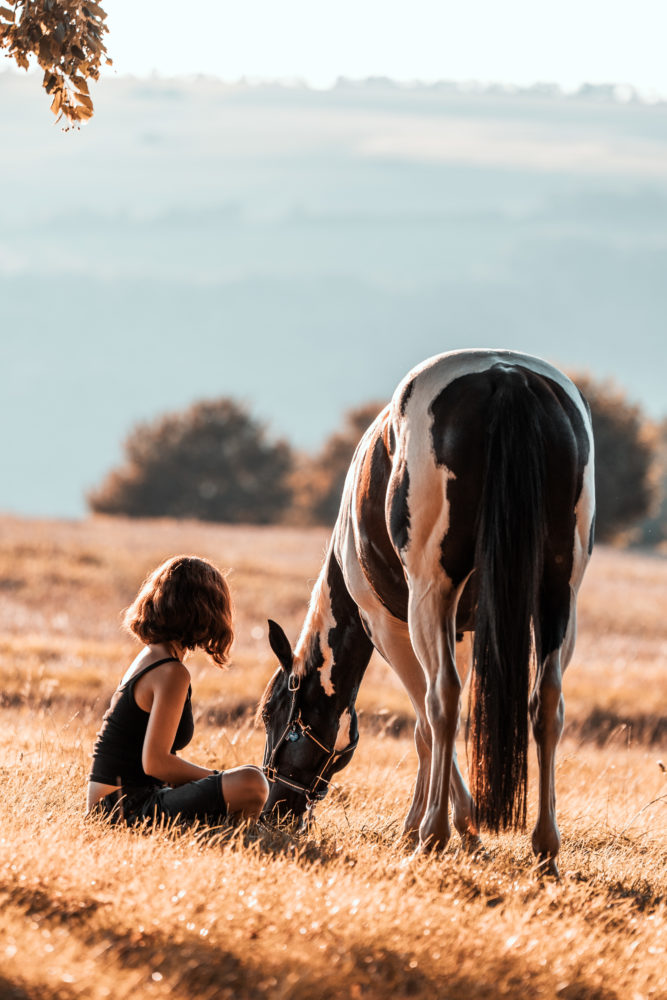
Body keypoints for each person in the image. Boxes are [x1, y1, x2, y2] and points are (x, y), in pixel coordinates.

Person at [87, 554, 268, 828]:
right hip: (124, 809)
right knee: (252, 783)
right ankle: (241, 833)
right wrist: (217, 777)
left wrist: (216, 783)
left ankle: (234, 829)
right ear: (204, 611)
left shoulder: (150, 657)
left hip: (113, 804)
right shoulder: (172, 672)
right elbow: (155, 764)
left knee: (250, 776)